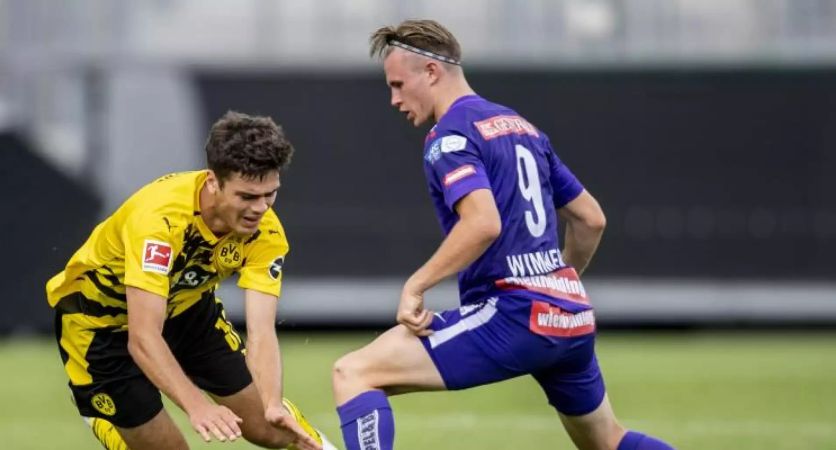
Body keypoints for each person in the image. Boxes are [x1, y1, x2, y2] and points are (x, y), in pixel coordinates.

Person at [331, 19, 675, 450]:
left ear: (432, 73)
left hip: (513, 315)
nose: (394, 99)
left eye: (399, 84)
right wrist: (557, 283)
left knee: (355, 373)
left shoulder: (449, 136)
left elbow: (483, 223)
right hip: (569, 315)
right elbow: (591, 219)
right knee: (607, 441)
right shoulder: (522, 127)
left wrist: (415, 286)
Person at [47, 111, 336, 450]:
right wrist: (197, 406)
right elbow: (142, 336)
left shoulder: (267, 233)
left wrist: (272, 403)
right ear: (213, 182)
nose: (260, 209)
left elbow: (261, 331)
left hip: (187, 310)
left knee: (269, 428)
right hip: (99, 328)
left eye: (269, 194)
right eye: (247, 197)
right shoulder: (159, 222)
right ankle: (99, 411)